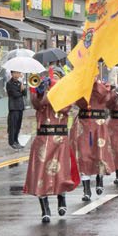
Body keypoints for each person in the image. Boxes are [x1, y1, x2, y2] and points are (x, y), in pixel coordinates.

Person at [23, 70, 81, 222]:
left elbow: (64, 108)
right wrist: (41, 93)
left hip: (60, 139)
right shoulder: (41, 91)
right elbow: (37, 105)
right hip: (43, 138)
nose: (53, 80)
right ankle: (45, 209)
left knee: (61, 173)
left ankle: (62, 199)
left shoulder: (66, 92)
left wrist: (53, 93)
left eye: (56, 77)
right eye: (51, 78)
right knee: (40, 174)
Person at [77, 76, 109, 204]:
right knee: (84, 155)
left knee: (99, 154)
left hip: (99, 124)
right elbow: (79, 103)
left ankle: (99, 178)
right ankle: (86, 189)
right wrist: (85, 88)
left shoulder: (104, 85)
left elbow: (104, 97)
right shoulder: (81, 86)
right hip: (84, 124)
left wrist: (95, 84)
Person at [4, 69, 28, 148]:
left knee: (18, 126)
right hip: (13, 108)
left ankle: (16, 140)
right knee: (13, 126)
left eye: (18, 73)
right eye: (14, 73)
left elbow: (25, 94)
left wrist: (23, 88)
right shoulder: (9, 83)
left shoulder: (19, 83)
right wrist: (20, 91)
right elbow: (14, 94)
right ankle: (11, 142)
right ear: (11, 74)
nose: (16, 75)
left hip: (20, 107)